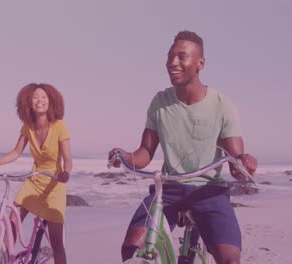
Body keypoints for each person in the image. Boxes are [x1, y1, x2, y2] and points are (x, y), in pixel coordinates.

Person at [109, 30, 257, 264]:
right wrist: (125, 156)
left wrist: (243, 163)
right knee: (131, 247)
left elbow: (235, 156)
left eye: (181, 57)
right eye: (169, 57)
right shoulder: (160, 102)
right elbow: (145, 153)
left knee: (230, 259)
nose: (172, 63)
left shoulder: (222, 105)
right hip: (169, 188)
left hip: (209, 190)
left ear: (200, 64)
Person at [0, 83, 72, 264]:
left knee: (57, 243)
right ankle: (5, 258)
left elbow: (68, 158)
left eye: (43, 98)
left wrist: (66, 172)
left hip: (55, 184)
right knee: (12, 220)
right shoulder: (28, 126)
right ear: (28, 102)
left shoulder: (59, 126)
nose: (39, 101)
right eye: (35, 97)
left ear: (51, 102)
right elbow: (16, 152)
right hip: (34, 180)